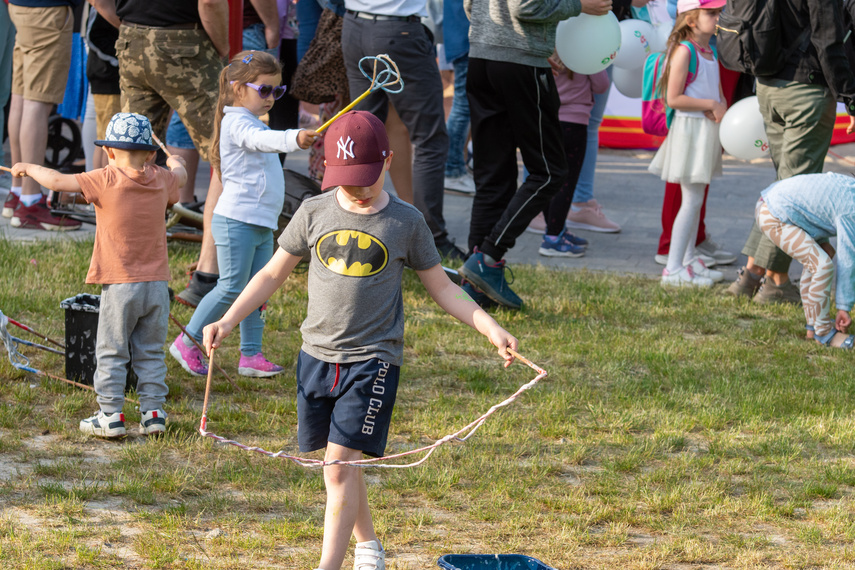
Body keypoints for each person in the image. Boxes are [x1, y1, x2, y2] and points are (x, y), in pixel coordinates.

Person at [202, 111, 518, 570]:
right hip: (315, 357)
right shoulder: (313, 211)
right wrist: (229, 320)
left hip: (372, 361)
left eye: (366, 179)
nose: (357, 189)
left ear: (388, 161)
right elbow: (271, 272)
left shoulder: (406, 222)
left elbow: (444, 288)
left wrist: (489, 328)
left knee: (339, 464)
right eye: (347, 181)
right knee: (341, 466)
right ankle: (369, 546)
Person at [11, 112, 187, 437]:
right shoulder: (162, 179)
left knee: (112, 349)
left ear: (108, 152)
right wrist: (176, 161)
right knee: (150, 350)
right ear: (150, 153)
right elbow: (181, 178)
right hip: (158, 286)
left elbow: (57, 182)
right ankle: (153, 414)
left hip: (121, 285)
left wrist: (28, 168)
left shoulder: (104, 179)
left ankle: (110, 415)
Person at [170, 51, 316, 378]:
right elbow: (262, 141)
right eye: (264, 90)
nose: (271, 98)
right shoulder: (237, 123)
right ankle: (187, 340)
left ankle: (251, 355)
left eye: (277, 91)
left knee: (257, 288)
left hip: (260, 223)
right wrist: (295, 137)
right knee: (232, 287)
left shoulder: (249, 120)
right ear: (238, 89)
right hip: (236, 221)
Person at [459, 0, 612, 310]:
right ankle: (486, 258)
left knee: (493, 177)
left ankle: (474, 289)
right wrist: (579, 5)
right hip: (518, 64)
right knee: (550, 171)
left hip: (484, 58)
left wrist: (530, 44)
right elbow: (525, 6)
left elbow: (470, 5)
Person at [726, 0, 855, 304]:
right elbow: (828, 41)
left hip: (769, 87)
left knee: (783, 187)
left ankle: (752, 276)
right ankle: (773, 284)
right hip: (805, 92)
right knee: (794, 192)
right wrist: (850, 98)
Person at [340, 0, 465, 260]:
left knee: (363, 136)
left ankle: (352, 230)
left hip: (356, 25)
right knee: (428, 139)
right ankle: (429, 239)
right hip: (397, 30)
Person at [647, 0, 726, 287]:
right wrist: (710, 104)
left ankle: (689, 259)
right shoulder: (684, 52)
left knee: (697, 198)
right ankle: (673, 268)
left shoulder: (709, 50)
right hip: (689, 131)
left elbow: (717, 94)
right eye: (711, 13)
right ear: (691, 19)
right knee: (690, 200)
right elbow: (673, 98)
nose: (718, 18)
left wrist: (721, 107)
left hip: (704, 131)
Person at [5, 0, 83, 231]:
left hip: (21, 7)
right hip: (47, 10)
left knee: (21, 97)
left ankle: (17, 193)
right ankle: (30, 202)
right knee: (36, 102)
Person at [755, 172, 855, 349]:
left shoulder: (850, 190)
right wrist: (843, 307)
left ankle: (812, 327)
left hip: (779, 206)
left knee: (824, 253)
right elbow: (848, 260)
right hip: (774, 214)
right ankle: (823, 333)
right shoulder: (852, 209)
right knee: (822, 265)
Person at [529, 61, 610, 258]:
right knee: (566, 182)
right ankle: (553, 238)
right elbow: (602, 85)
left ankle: (556, 229)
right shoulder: (584, 51)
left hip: (546, 120)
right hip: (574, 123)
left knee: (551, 179)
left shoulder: (546, 49)